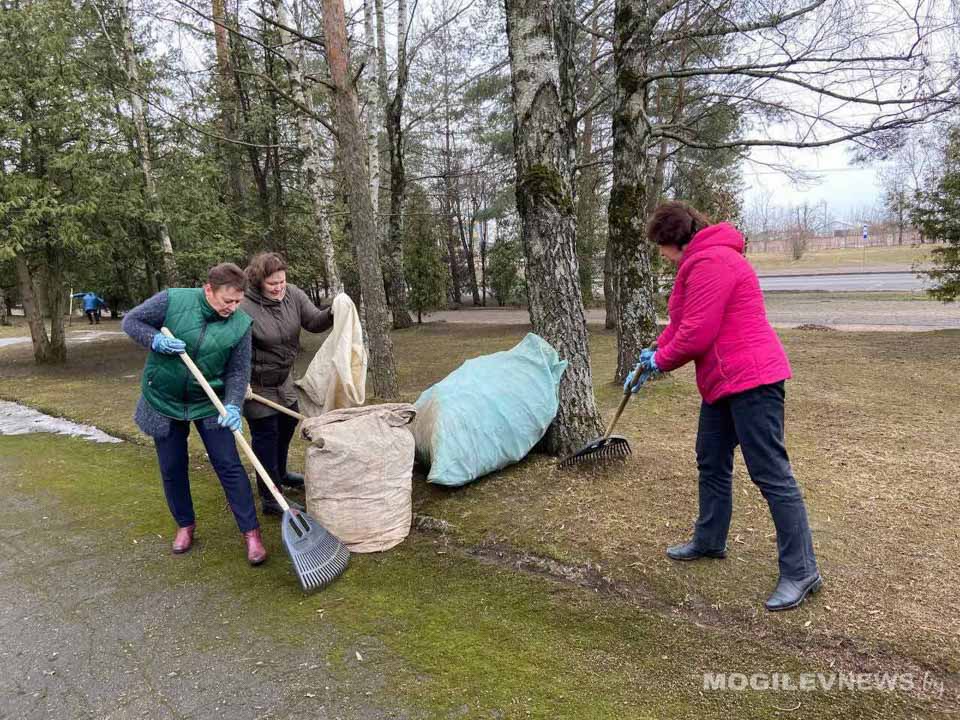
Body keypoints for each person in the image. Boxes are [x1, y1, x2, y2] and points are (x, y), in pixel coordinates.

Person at [625, 201, 821, 612]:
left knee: (771, 474)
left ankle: (802, 571)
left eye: (662, 247)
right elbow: (682, 325)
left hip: (752, 380)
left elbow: (697, 334)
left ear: (676, 240)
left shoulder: (711, 261)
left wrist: (661, 362)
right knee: (711, 460)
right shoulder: (701, 260)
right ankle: (710, 540)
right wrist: (652, 353)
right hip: (723, 381)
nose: (661, 255)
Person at [121, 263, 267, 565]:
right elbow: (132, 321)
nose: (233, 307)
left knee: (229, 465)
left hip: (208, 401)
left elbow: (238, 371)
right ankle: (185, 524)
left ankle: (251, 533)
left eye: (239, 301)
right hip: (164, 399)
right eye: (228, 300)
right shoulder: (173, 300)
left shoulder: (240, 324)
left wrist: (233, 404)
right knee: (172, 466)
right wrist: (155, 341)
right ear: (208, 289)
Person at [241, 252, 333, 515]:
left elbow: (314, 322)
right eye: (273, 284)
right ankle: (271, 497)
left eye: (282, 281)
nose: (279, 287)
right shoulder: (245, 306)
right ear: (259, 282)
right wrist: (241, 383)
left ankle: (279, 473)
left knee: (287, 424)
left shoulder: (292, 294)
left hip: (283, 380)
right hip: (256, 384)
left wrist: (332, 312)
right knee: (266, 435)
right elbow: (238, 350)